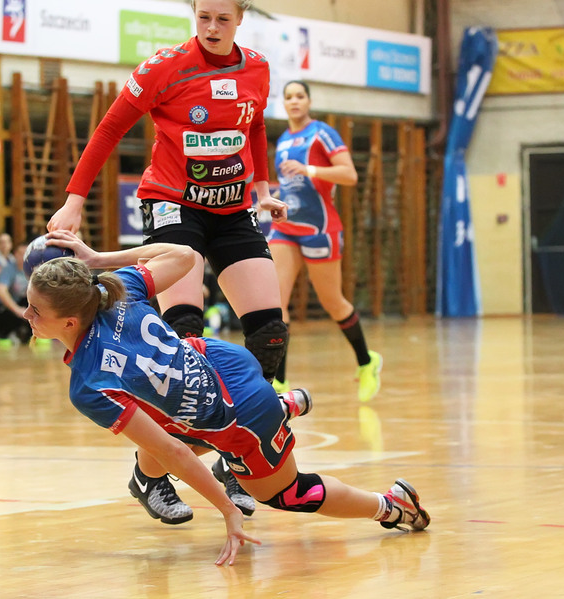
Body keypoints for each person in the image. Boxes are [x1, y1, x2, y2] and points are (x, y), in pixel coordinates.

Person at [24, 230, 430, 566]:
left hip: (240, 416)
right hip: (223, 360)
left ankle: (393, 505)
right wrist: (100, 260)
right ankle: (280, 407)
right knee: (161, 416)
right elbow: (184, 256)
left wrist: (227, 510)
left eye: (34, 310)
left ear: (70, 322)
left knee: (287, 493)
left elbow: (172, 453)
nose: (27, 316)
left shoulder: (88, 384)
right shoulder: (116, 288)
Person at [47, 0, 287, 521]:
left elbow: (254, 128)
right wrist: (74, 201)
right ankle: (150, 473)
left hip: (232, 208)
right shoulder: (165, 67)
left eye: (223, 19)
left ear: (240, 18)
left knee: (270, 335)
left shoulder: (257, 68)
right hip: (174, 203)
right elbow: (108, 130)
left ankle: (233, 457)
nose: (212, 28)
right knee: (183, 337)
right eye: (204, 17)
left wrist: (263, 188)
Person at [267, 80, 382, 401]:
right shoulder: (283, 140)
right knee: (276, 304)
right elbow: (291, 187)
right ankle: (279, 382)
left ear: (309, 101)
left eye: (300, 96)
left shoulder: (322, 133)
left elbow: (349, 175)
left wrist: (310, 169)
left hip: (320, 228)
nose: (294, 101)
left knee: (333, 302)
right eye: (288, 97)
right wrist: (274, 201)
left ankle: (367, 362)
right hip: (286, 228)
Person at [0, 240, 32, 348]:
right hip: (1, 306)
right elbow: (1, 291)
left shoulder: (32, 270)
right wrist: (17, 310)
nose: (23, 257)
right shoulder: (8, 269)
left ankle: (33, 336)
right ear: (15, 254)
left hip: (20, 301)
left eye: (26, 253)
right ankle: (5, 334)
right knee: (8, 315)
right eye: (20, 253)